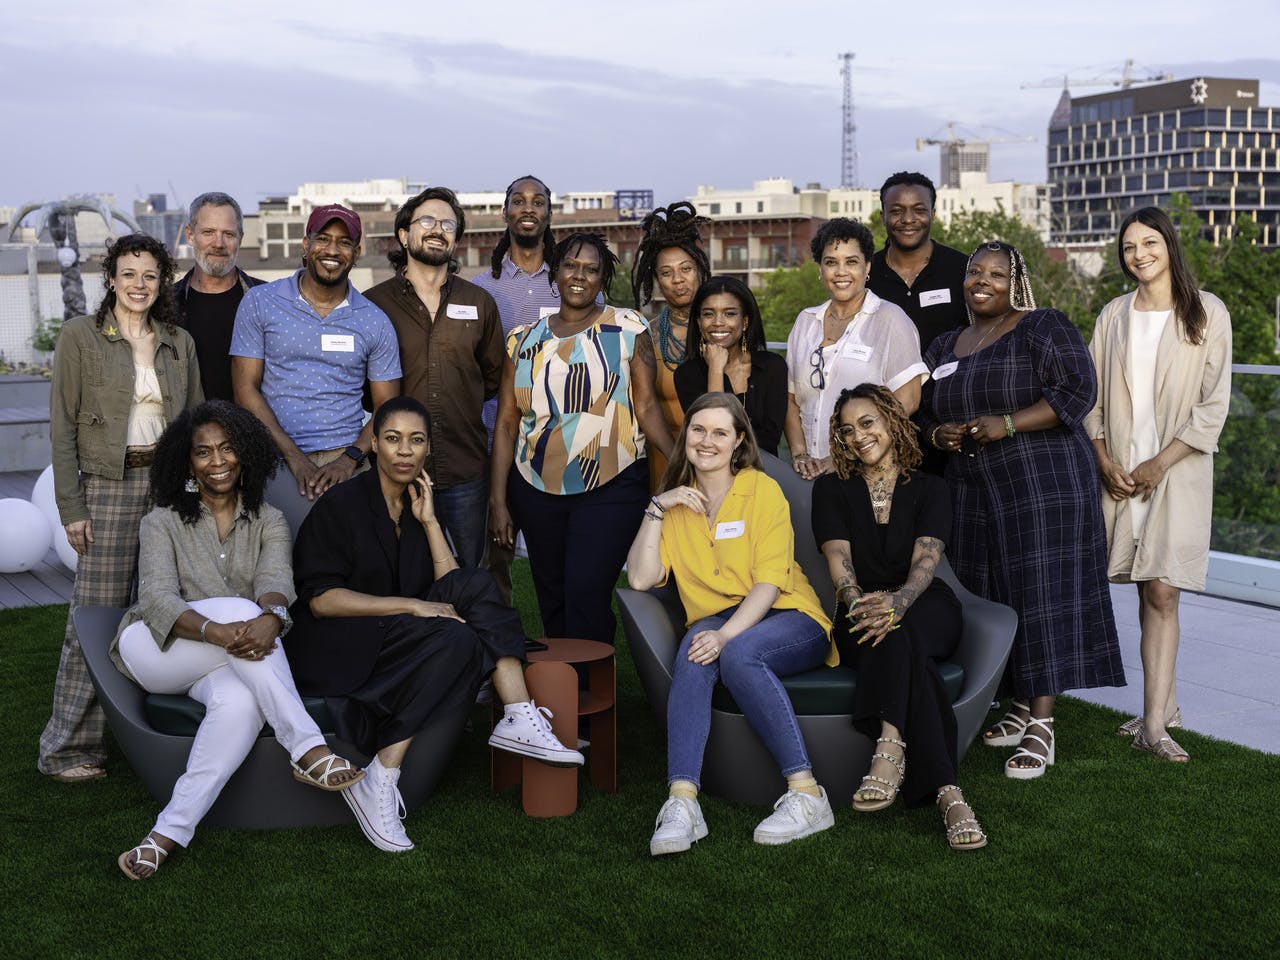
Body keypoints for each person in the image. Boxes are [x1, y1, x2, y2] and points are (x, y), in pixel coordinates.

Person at [287, 396, 582, 853]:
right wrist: (411, 606)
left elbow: (452, 585)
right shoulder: (341, 506)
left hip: (395, 631)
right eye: (392, 439)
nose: (404, 451)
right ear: (375, 447)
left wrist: (428, 524)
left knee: (475, 584)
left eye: (416, 440)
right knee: (456, 637)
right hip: (335, 642)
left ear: (427, 450)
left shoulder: (417, 504)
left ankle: (518, 715)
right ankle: (383, 776)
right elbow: (322, 602)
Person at [113, 401, 364, 879]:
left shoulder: (268, 520)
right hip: (156, 651)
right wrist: (240, 623)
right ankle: (309, 749)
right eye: (203, 452)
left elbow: (276, 582)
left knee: (239, 707)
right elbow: (158, 601)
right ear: (187, 464)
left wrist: (271, 616)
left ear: (245, 454)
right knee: (243, 610)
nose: (218, 460)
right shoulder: (161, 521)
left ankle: (163, 836)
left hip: (227, 659)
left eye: (228, 448)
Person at [920, 241, 1125, 779]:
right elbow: (922, 414)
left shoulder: (1043, 326)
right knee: (991, 594)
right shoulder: (944, 345)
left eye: (995, 273)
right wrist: (938, 435)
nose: (981, 280)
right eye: (973, 272)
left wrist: (1006, 424)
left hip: (1044, 483)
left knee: (1041, 593)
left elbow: (1079, 391)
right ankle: (1013, 705)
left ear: (1015, 282)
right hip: (972, 490)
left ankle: (1041, 724)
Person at [626, 393, 836, 855]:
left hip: (789, 614)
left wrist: (724, 634)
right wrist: (658, 507)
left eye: (720, 432)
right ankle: (683, 804)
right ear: (686, 438)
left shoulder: (761, 489)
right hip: (718, 620)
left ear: (739, 440)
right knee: (695, 650)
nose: (707, 441)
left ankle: (807, 794)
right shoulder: (675, 505)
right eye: (698, 430)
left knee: (736, 651)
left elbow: (768, 584)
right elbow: (641, 577)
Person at [40, 233, 203, 782]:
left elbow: (195, 423)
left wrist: (197, 493)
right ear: (111, 278)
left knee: (162, 612)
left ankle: (153, 734)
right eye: (129, 274)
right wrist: (72, 507)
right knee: (93, 617)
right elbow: (62, 429)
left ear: (162, 283)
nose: (139, 285)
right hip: (108, 487)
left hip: (169, 488)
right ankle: (66, 749)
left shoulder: (179, 342)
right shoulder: (79, 338)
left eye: (150, 275)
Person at [1085, 207, 1232, 762]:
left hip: (1178, 472)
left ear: (1168, 245)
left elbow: (1212, 408)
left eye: (1149, 242)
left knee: (1165, 589)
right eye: (1129, 247)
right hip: (1122, 475)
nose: (1139, 254)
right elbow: (1091, 401)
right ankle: (1161, 708)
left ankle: (1153, 725)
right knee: (1146, 585)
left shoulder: (1206, 313)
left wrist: (1159, 464)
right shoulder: (1113, 317)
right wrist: (1104, 459)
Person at [812, 385, 985, 851]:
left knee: (900, 630)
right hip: (858, 610)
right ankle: (950, 794)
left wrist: (899, 602)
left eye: (868, 423)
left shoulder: (931, 486)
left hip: (925, 604)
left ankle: (890, 745)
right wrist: (859, 604)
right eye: (847, 430)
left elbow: (926, 561)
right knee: (900, 645)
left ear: (891, 420)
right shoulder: (832, 488)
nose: (859, 436)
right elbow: (837, 559)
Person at [490, 232, 673, 647]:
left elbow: (646, 408)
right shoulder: (522, 340)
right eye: (571, 266)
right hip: (534, 486)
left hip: (612, 482)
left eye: (591, 269)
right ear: (555, 272)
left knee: (586, 592)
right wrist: (498, 501)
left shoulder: (628, 327)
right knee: (552, 598)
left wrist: (683, 460)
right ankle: (564, 699)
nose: (579, 276)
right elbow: (506, 422)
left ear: (602, 278)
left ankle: (594, 702)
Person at [364, 187, 505, 567]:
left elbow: (492, 378)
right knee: (398, 570)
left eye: (447, 224)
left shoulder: (479, 304)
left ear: (456, 238)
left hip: (465, 470)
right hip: (397, 471)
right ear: (403, 235)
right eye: (426, 220)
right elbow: (365, 389)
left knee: (467, 576)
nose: (436, 229)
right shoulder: (373, 305)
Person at [230, 203, 401, 509]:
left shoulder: (374, 321)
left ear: (356, 254)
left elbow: (386, 406)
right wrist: (294, 456)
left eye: (344, 242)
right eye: (323, 239)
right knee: (281, 554)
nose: (332, 250)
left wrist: (349, 459)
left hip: (347, 461)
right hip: (275, 457)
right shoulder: (260, 303)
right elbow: (245, 390)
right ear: (306, 245)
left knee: (346, 555)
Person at [471, 175, 562, 603]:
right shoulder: (478, 288)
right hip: (496, 441)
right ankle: (501, 658)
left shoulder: (571, 283)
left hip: (556, 443)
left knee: (557, 562)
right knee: (495, 560)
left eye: (538, 201)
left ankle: (563, 656)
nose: (529, 208)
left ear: (548, 212)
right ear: (505, 211)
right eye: (519, 201)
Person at [785, 218, 928, 480]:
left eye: (851, 262)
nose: (841, 272)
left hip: (866, 473)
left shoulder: (890, 319)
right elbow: (791, 399)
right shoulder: (805, 322)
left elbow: (908, 401)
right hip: (807, 475)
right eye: (831, 262)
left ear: (867, 267)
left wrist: (844, 456)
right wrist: (799, 454)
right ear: (820, 269)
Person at [868, 172, 969, 476]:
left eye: (919, 210)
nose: (908, 219)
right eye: (897, 211)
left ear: (933, 214)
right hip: (883, 421)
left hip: (951, 423)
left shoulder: (963, 269)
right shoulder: (865, 276)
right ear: (883, 215)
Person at [632, 202, 712, 486]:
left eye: (686, 268)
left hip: (723, 459)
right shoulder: (646, 336)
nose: (678, 280)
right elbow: (644, 406)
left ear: (700, 269)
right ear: (656, 280)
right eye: (666, 273)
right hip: (669, 463)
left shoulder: (726, 330)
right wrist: (679, 459)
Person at [674, 275, 787, 456]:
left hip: (762, 471)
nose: (718, 322)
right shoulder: (686, 374)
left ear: (745, 322)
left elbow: (770, 439)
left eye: (730, 313)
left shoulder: (772, 367)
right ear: (699, 323)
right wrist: (716, 370)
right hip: (711, 473)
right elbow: (711, 440)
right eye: (709, 314)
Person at [174, 192, 265, 402]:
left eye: (228, 234)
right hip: (185, 430)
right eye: (208, 232)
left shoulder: (268, 301)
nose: (219, 243)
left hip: (252, 431)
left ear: (240, 238)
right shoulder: (164, 304)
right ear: (190, 235)